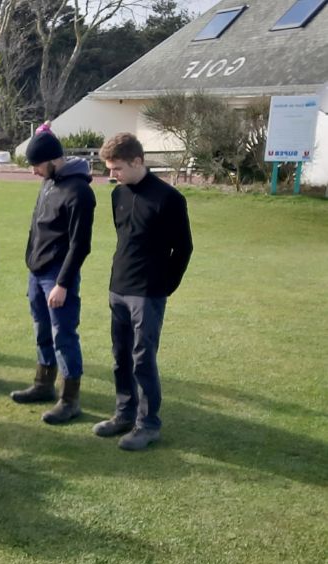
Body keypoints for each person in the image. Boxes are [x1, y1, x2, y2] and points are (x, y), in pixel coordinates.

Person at [95, 132, 193, 450]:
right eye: (109, 169)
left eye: (117, 168)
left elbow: (184, 248)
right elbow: (126, 240)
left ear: (138, 161)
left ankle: (148, 424)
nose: (112, 175)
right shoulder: (117, 195)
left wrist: (164, 287)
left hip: (147, 293)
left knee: (142, 359)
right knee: (119, 357)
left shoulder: (169, 199)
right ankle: (124, 414)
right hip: (118, 288)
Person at [10, 131, 96, 425]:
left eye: (36, 165)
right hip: (37, 272)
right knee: (42, 330)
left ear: (54, 160)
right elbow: (37, 224)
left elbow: (80, 245)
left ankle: (70, 400)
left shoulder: (80, 192)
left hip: (58, 276)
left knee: (64, 335)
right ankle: (43, 384)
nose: (33, 171)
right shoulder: (49, 182)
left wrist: (62, 283)